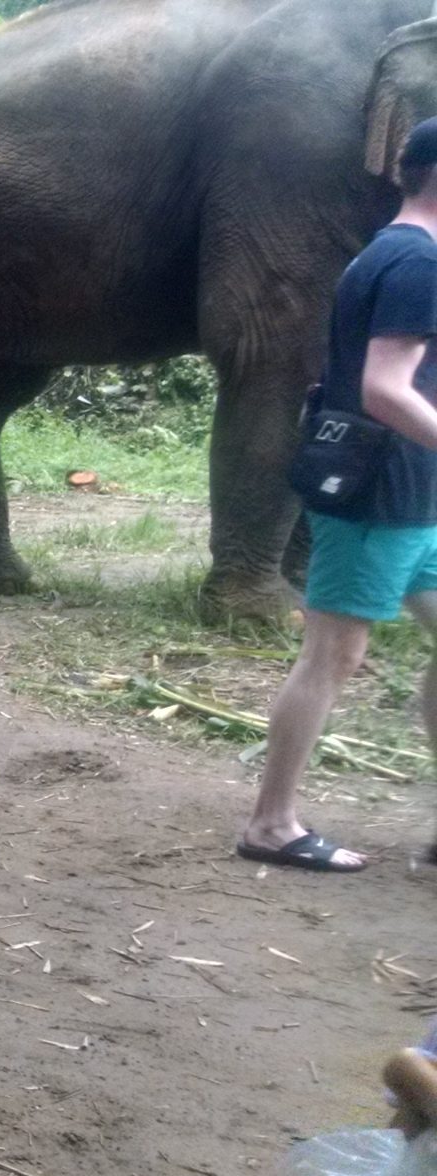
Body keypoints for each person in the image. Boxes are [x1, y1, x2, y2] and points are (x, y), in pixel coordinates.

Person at [234, 121, 437, 873]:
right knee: (334, 654)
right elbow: (386, 390)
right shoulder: (416, 261)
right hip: (378, 494)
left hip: (414, 495)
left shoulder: (396, 252)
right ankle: (270, 822)